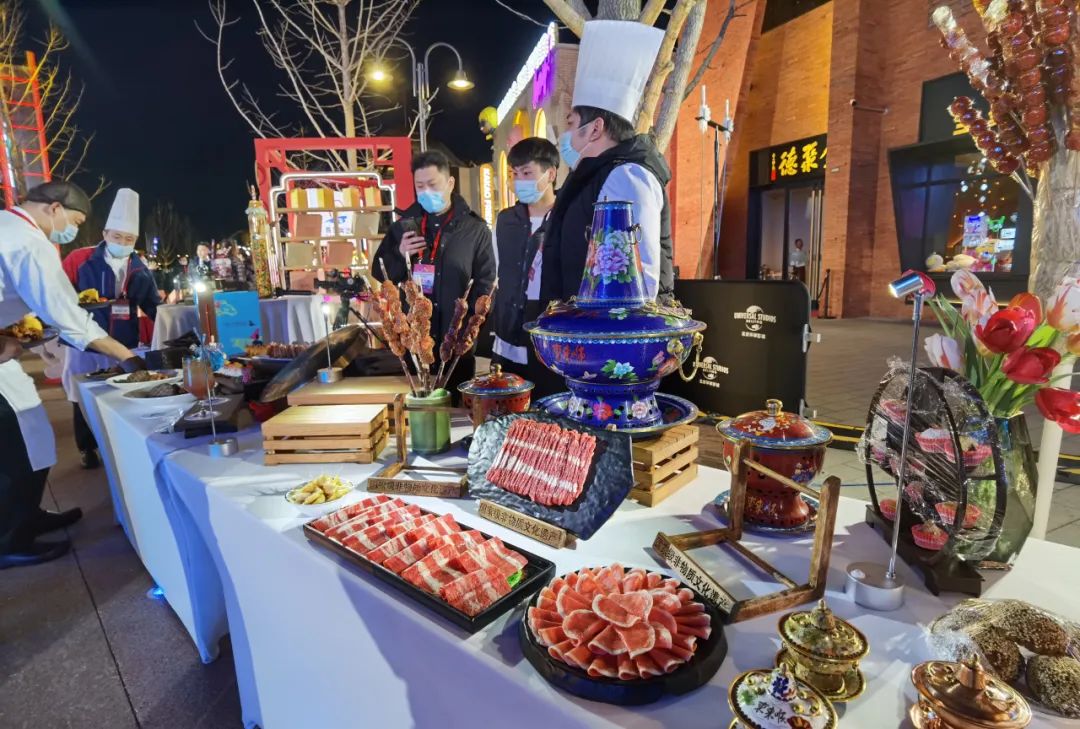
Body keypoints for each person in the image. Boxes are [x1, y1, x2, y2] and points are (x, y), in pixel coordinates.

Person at [0, 181, 146, 569]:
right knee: (14, 446)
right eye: (76, 222)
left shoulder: (8, 227)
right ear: (54, 208)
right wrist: (125, 356)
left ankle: (26, 515)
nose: (74, 231)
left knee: (32, 432)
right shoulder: (27, 241)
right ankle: (8, 538)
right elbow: (66, 315)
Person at [541, 20, 671, 308]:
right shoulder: (597, 175)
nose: (566, 135)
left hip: (606, 331)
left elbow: (638, 284)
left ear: (596, 128)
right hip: (584, 323)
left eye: (571, 123)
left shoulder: (627, 176)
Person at [372, 150, 495, 398]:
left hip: (456, 345)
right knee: (419, 408)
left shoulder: (476, 230)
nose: (427, 192)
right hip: (413, 342)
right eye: (420, 186)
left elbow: (486, 283)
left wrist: (468, 331)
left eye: (433, 184)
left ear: (450, 183)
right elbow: (380, 272)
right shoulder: (403, 227)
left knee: (457, 408)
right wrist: (399, 253)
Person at [62, 188, 161, 469]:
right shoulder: (79, 259)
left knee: (121, 391)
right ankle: (87, 447)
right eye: (117, 237)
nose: (122, 243)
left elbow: (153, 305)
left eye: (129, 239)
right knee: (82, 393)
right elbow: (59, 297)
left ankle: (119, 443)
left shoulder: (140, 268)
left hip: (123, 339)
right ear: (105, 233)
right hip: (84, 341)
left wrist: (170, 323)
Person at [490, 137, 564, 397]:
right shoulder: (505, 220)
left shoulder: (566, 218)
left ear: (550, 174)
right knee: (508, 404)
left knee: (549, 403)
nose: (519, 180)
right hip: (508, 329)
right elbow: (497, 272)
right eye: (515, 174)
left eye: (527, 173)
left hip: (551, 330)